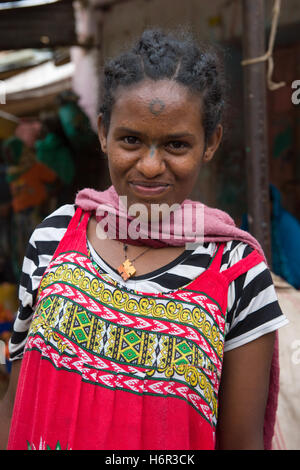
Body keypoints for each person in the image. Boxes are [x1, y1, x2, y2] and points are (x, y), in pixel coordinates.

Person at [0, 29, 288, 450]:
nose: (151, 166)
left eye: (176, 144)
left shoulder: (238, 273)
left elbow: (241, 442)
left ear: (211, 143)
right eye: (131, 140)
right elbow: (16, 401)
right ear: (103, 133)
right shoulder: (55, 235)